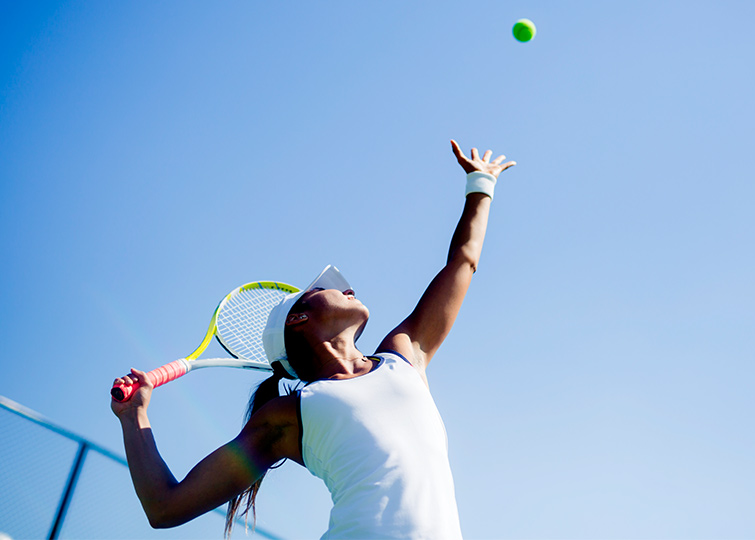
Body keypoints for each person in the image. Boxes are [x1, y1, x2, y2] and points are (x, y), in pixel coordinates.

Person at [110, 140, 515, 539]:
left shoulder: (405, 353)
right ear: (299, 318)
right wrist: (135, 417)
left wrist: (480, 184)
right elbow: (164, 508)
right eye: (326, 286)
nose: (347, 287)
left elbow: (463, 261)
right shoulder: (287, 415)